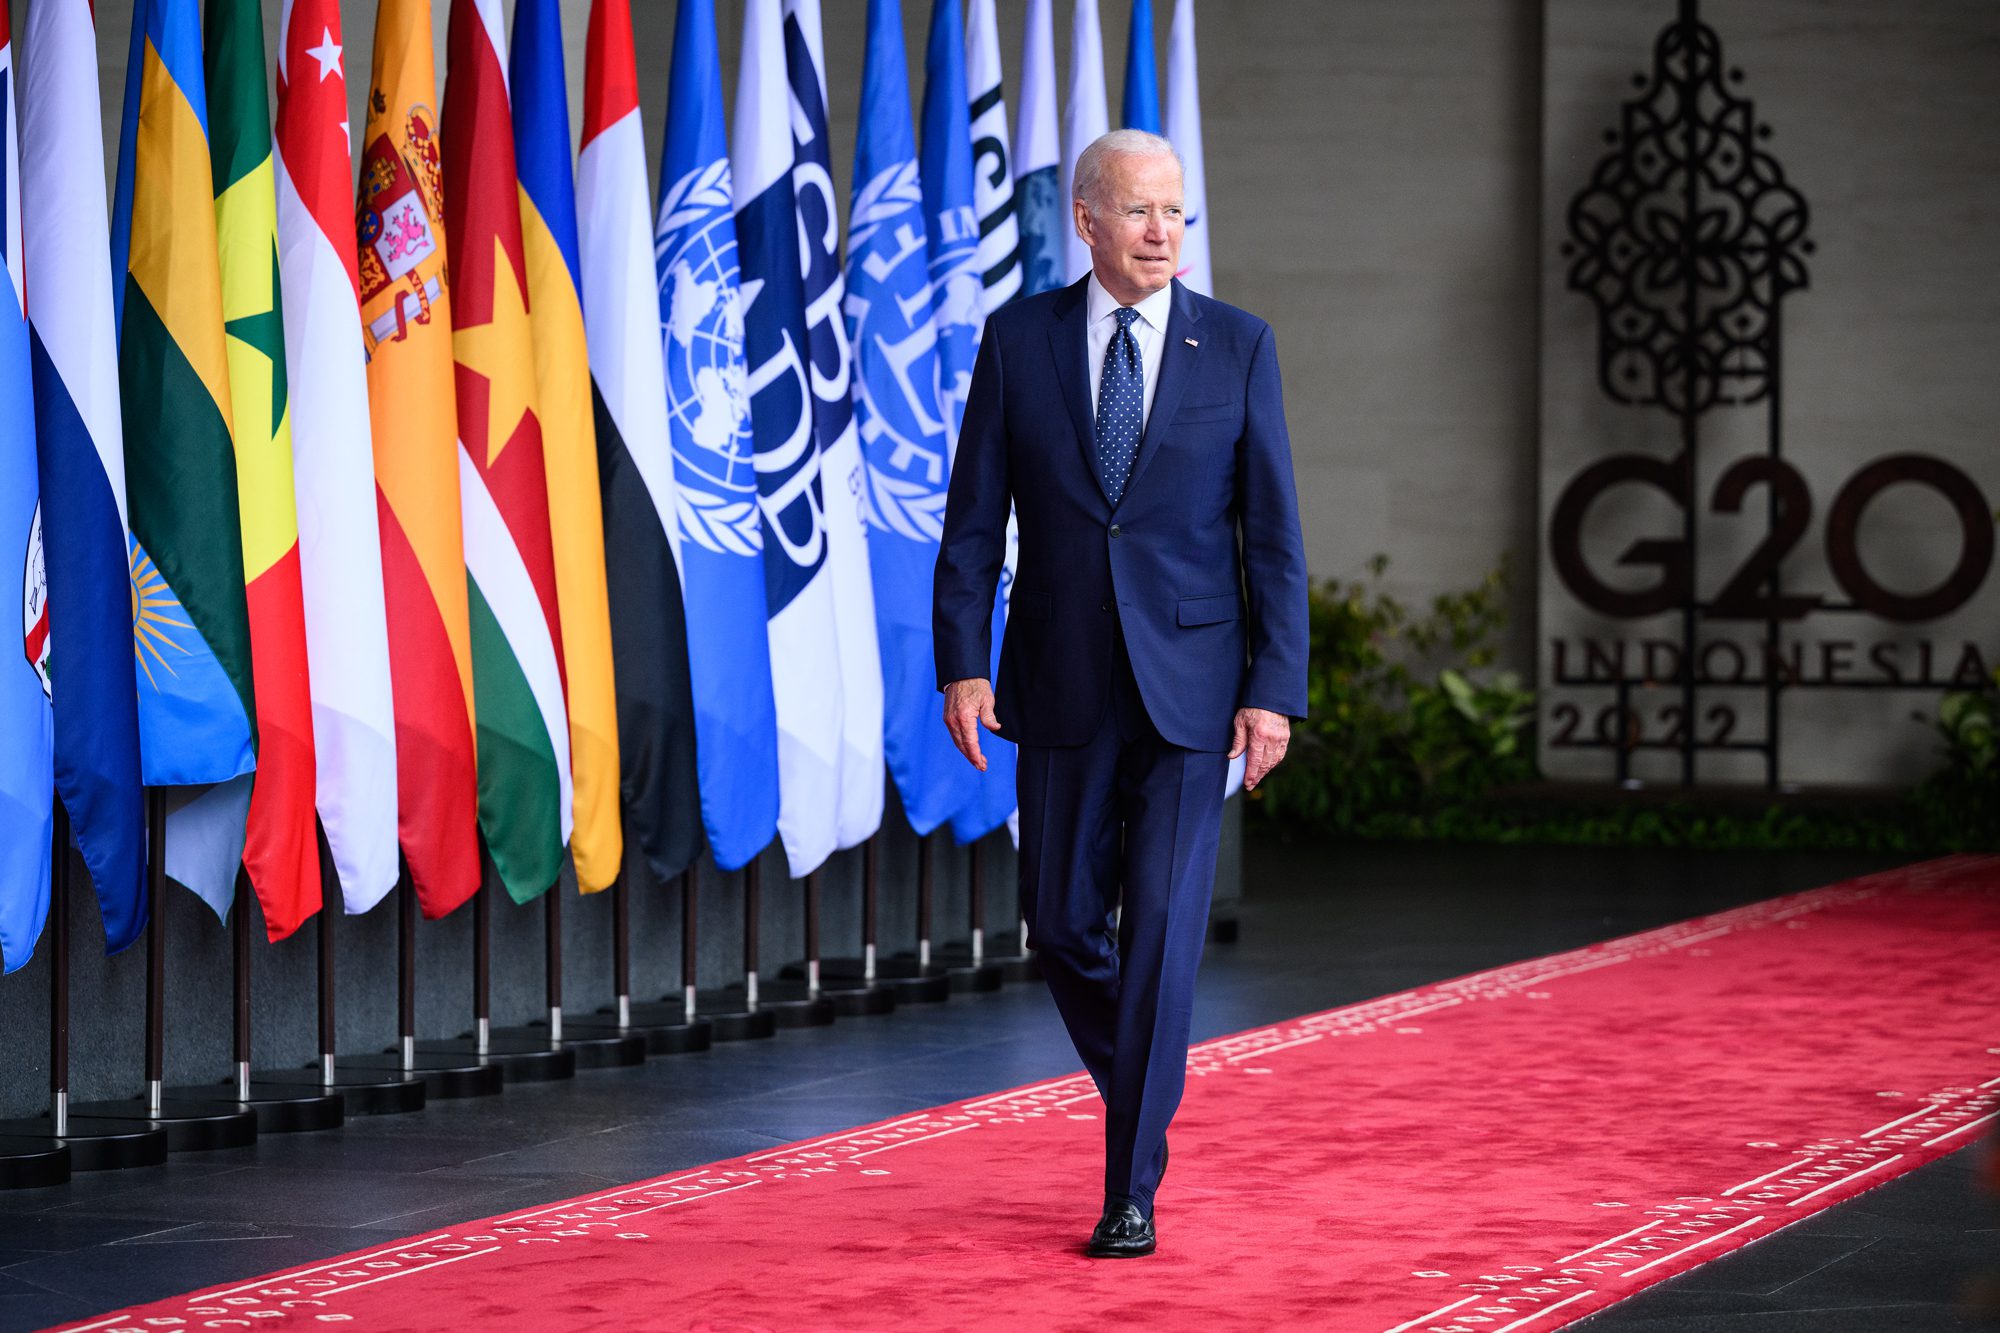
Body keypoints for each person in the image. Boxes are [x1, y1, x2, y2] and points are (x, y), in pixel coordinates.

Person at [934, 128, 1308, 1259]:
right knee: (1057, 925)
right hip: (1054, 682)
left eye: (1175, 214)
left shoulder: (1236, 346)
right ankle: (1146, 1076)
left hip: (1195, 695)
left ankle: (1127, 1189)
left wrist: (1271, 691)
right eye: (1140, 213)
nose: (1162, 234)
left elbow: (1274, 539)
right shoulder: (1017, 340)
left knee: (1156, 934)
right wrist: (963, 660)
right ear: (1086, 220)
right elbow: (970, 520)